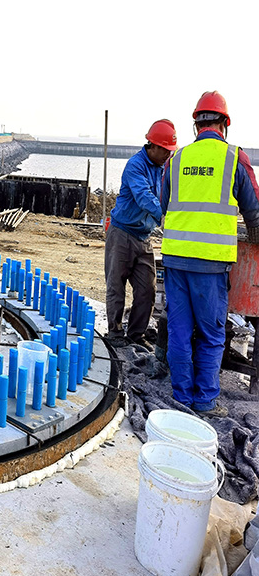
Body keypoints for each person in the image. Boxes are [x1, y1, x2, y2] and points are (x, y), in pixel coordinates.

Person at [161, 91, 259, 417]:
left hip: (175, 258)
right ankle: (204, 401)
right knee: (211, 334)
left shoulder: (176, 159)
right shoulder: (234, 158)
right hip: (211, 263)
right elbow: (254, 211)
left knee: (178, 331)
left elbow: (163, 205)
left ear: (195, 124)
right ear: (224, 123)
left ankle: (180, 396)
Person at [105, 119, 178, 349]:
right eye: (165, 150)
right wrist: (165, 218)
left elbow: (169, 196)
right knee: (116, 285)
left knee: (147, 289)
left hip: (144, 236)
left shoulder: (164, 168)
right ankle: (115, 332)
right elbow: (144, 196)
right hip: (122, 233)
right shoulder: (135, 166)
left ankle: (136, 334)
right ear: (152, 146)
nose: (168, 155)